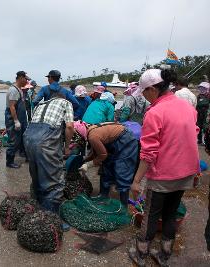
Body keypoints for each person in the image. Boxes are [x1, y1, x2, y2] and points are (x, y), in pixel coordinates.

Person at [128, 69, 199, 267]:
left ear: (152, 89)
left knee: (151, 215)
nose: (143, 96)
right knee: (171, 213)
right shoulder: (186, 106)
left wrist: (136, 181)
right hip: (185, 172)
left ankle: (141, 254)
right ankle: (164, 254)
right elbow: (193, 135)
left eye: (143, 92)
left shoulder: (155, 112)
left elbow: (148, 152)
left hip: (163, 175)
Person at [23, 91, 74, 214]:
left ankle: (37, 208)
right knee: (54, 181)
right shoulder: (66, 103)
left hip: (28, 139)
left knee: (37, 176)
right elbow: (70, 127)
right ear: (63, 97)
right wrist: (67, 147)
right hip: (45, 141)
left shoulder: (40, 105)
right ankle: (50, 217)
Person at [74, 120, 138, 205]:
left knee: (122, 170)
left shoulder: (92, 136)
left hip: (126, 140)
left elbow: (103, 155)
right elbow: (96, 152)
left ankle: (123, 204)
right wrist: (84, 161)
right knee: (106, 166)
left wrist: (88, 165)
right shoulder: (90, 130)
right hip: (114, 139)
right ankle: (103, 196)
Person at [5, 71, 29, 168]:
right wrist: (16, 121)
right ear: (20, 78)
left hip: (22, 118)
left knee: (24, 137)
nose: (27, 81)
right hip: (13, 118)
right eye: (26, 79)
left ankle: (26, 155)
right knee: (14, 140)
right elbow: (12, 107)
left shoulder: (19, 89)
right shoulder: (13, 90)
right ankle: (9, 162)